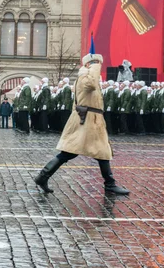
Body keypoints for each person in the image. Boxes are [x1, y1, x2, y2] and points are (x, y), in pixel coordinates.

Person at [34, 52, 130, 195]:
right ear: (88, 64)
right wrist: (94, 67)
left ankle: (43, 176)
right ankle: (43, 176)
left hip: (92, 119)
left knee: (100, 152)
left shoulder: (89, 76)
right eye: (95, 63)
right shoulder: (85, 76)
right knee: (73, 152)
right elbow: (90, 85)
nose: (98, 65)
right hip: (86, 119)